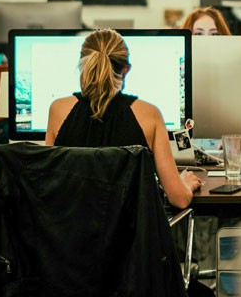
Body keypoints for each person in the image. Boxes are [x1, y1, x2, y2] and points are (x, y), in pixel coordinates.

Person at [45, 29, 201, 209]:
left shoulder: (58, 110)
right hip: (131, 236)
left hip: (69, 234)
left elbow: (49, 184)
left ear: (83, 65)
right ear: (125, 69)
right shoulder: (149, 115)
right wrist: (185, 185)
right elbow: (179, 199)